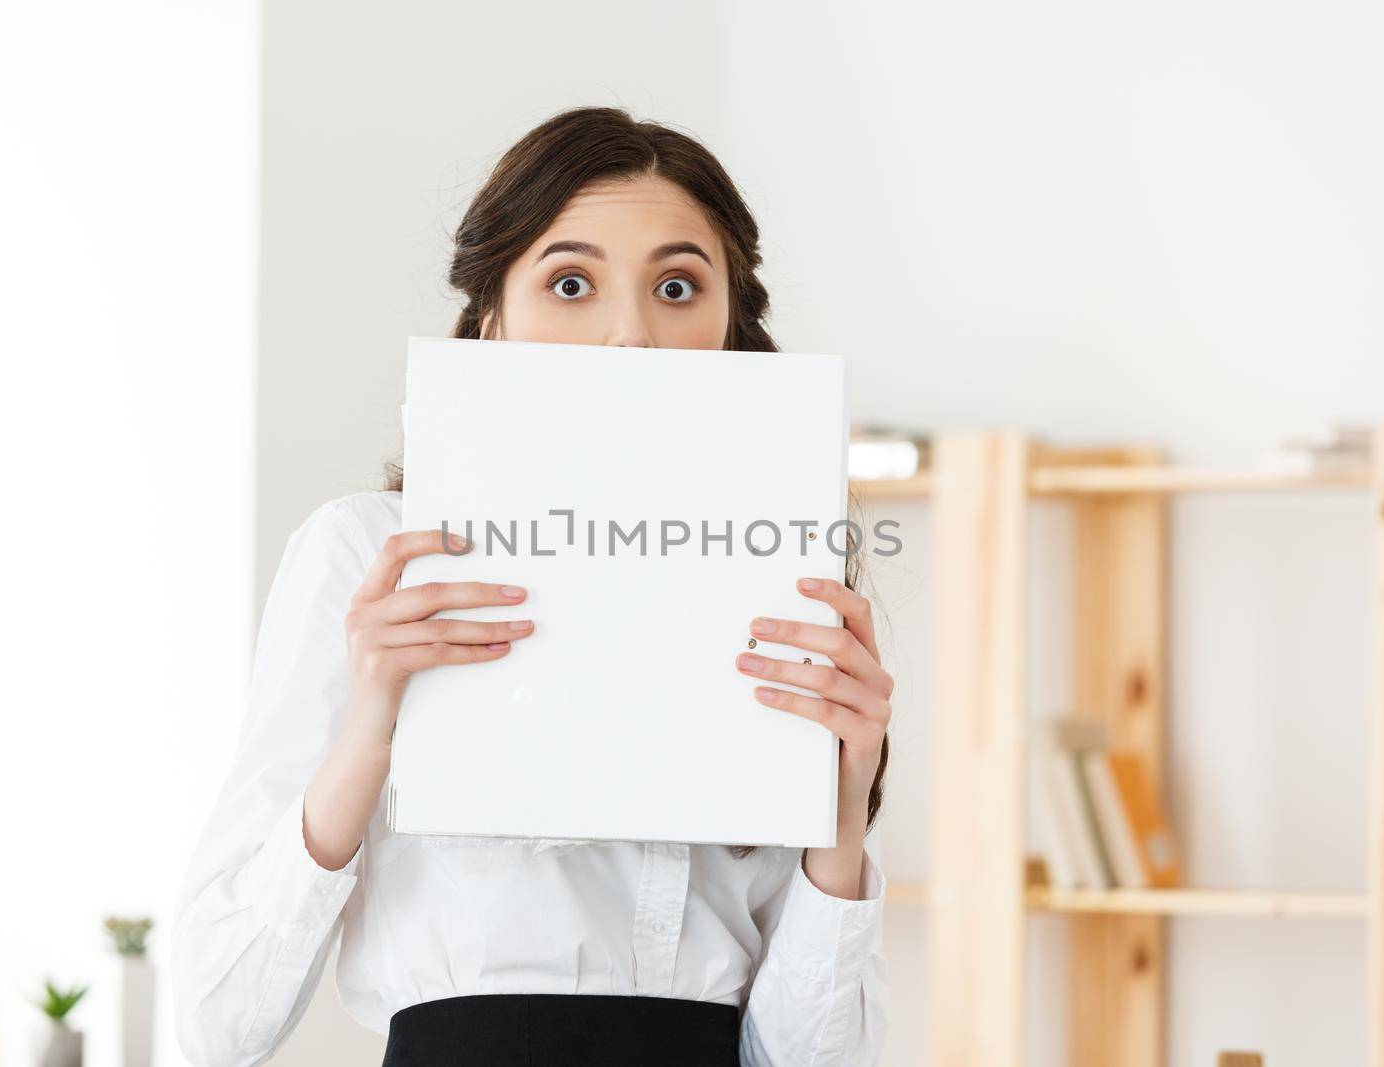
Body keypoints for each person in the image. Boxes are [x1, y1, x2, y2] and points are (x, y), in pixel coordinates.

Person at [171, 106, 895, 1067]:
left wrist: (839, 812)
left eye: (678, 285)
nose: (629, 338)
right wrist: (369, 732)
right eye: (570, 282)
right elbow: (218, 1024)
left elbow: (810, 1059)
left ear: (730, 327)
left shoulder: (793, 579)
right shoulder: (370, 560)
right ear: (491, 319)